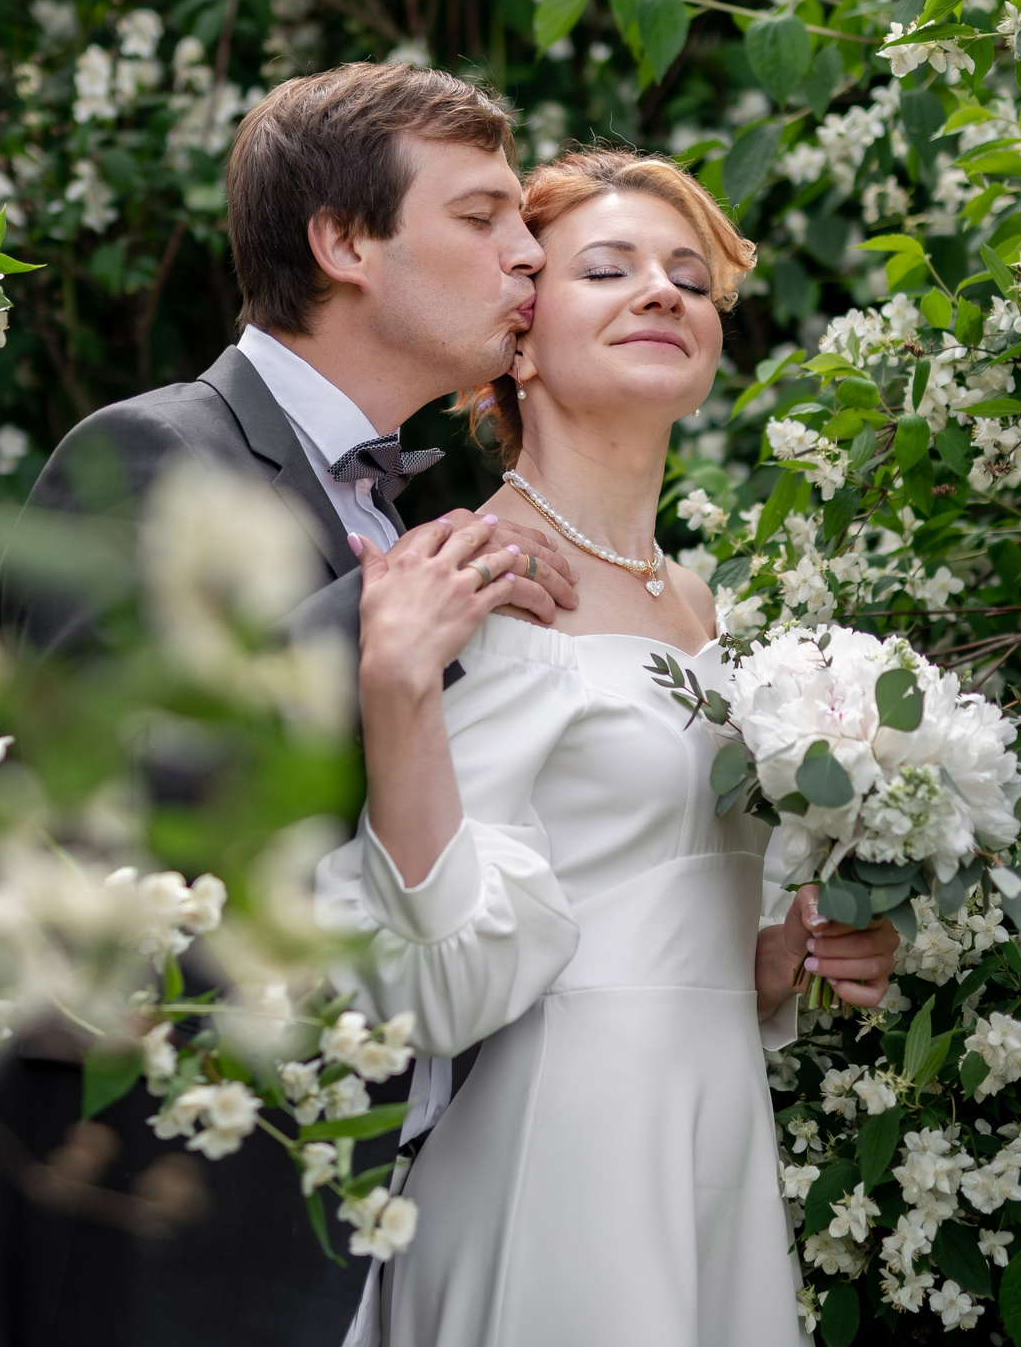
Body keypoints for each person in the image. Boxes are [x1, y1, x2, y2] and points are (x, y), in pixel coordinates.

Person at [0, 63, 594, 1347]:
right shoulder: (148, 452)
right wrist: (376, 612)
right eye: (482, 217)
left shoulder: (389, 518)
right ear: (343, 241)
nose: (528, 257)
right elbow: (81, 815)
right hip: (128, 1235)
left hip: (323, 1248)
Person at [316, 149, 897, 1347]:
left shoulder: (707, 604)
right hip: (563, 1139)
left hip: (712, 1116)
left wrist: (782, 955)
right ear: (521, 339)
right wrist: (398, 684)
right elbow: (440, 959)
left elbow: (648, 888)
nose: (661, 292)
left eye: (690, 276)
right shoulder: (476, 578)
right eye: (608, 267)